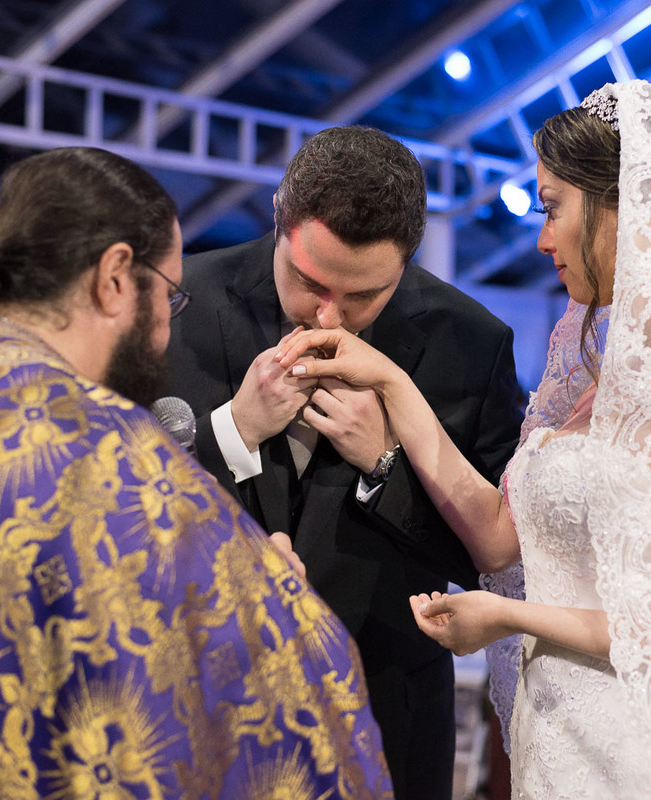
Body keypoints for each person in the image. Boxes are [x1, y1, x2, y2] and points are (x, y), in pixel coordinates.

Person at [277, 81, 651, 798]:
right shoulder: (602, 371)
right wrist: (398, 390)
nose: (541, 237)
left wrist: (508, 616)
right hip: (561, 752)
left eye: (553, 207)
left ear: (627, 205)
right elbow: (499, 539)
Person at [0, 147, 391, 798]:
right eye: (169, 294)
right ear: (113, 279)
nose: (165, 330)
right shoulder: (106, 460)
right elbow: (288, 693)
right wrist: (275, 592)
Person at [164, 126, 523, 799]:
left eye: (363, 297)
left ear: (406, 262)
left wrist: (385, 465)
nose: (329, 316)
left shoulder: (471, 344)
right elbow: (120, 504)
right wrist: (234, 431)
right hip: (195, 707)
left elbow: (486, 559)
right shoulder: (177, 303)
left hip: (384, 715)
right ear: (280, 214)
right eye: (311, 282)